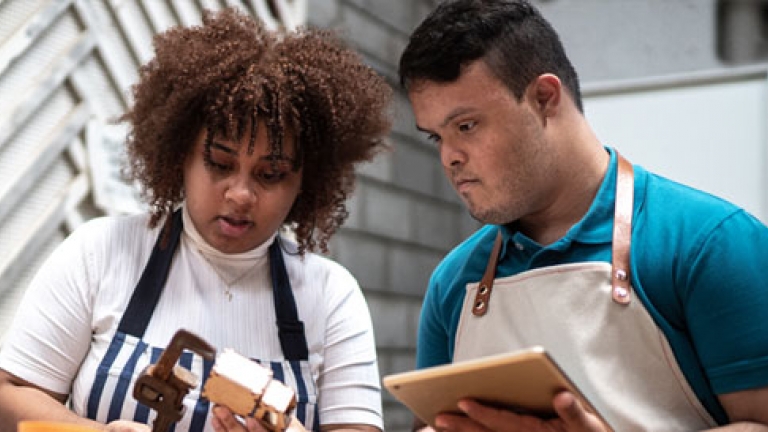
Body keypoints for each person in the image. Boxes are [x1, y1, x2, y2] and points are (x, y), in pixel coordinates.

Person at [0, 7, 391, 432]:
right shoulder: (98, 252)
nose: (240, 194)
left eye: (271, 174)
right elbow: (11, 396)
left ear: (306, 182)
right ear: (180, 156)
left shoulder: (332, 298)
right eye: (220, 163)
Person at [398, 0, 768, 431]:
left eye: (465, 126)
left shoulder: (712, 245)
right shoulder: (452, 283)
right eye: (434, 138)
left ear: (544, 98)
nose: (449, 158)